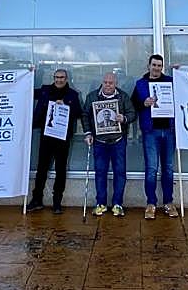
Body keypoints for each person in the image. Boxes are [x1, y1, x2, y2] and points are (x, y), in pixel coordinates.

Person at [27, 68, 81, 214]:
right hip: (46, 136)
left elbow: (78, 113)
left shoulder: (73, 95)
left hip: (62, 138)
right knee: (41, 169)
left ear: (67, 78)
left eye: (62, 77)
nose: (59, 80)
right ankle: (36, 199)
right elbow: (27, 90)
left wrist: (66, 106)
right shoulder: (45, 90)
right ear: (53, 77)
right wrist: (30, 73)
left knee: (60, 170)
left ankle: (57, 201)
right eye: (56, 77)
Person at [82, 72, 134, 217]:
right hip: (100, 142)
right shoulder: (92, 96)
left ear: (115, 83)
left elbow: (132, 113)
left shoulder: (123, 96)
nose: (108, 85)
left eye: (111, 83)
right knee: (100, 173)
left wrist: (124, 118)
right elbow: (85, 115)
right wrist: (87, 132)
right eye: (105, 82)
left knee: (120, 173)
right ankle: (101, 204)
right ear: (102, 82)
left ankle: (117, 204)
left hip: (118, 141)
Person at [133, 54, 178, 219]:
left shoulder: (171, 82)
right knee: (151, 169)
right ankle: (151, 203)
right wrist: (142, 104)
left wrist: (180, 71)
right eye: (154, 65)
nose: (157, 68)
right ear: (149, 66)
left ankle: (168, 202)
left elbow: (185, 89)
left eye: (159, 65)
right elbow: (133, 105)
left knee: (168, 168)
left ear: (162, 67)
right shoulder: (140, 84)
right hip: (150, 131)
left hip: (169, 130)